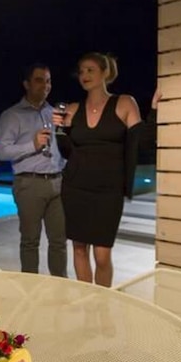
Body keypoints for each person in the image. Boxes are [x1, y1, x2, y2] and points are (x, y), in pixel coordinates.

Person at [52, 52, 146, 287]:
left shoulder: (125, 103)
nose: (84, 75)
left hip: (108, 191)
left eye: (90, 70)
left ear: (105, 72)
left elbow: (141, 142)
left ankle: (103, 300)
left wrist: (154, 111)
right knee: (79, 248)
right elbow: (66, 152)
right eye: (81, 71)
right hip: (76, 188)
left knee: (102, 255)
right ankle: (87, 299)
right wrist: (59, 129)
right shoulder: (73, 108)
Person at [0, 64, 67, 277]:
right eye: (39, 80)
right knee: (30, 241)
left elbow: (62, 147)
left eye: (48, 80)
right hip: (30, 184)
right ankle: (30, 288)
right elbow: (2, 151)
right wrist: (32, 145)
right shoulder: (12, 115)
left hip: (58, 183)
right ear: (26, 84)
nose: (45, 85)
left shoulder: (53, 113)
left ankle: (60, 285)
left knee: (59, 241)